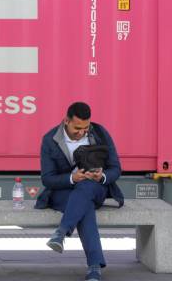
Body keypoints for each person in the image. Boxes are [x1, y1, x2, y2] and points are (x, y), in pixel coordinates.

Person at [35, 101, 124, 281]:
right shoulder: (50, 140)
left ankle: (61, 232)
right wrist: (71, 178)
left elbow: (116, 169)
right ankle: (94, 267)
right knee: (85, 207)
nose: (82, 132)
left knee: (86, 187)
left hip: (95, 188)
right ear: (66, 121)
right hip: (64, 192)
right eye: (77, 128)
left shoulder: (100, 133)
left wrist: (102, 176)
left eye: (85, 127)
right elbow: (47, 178)